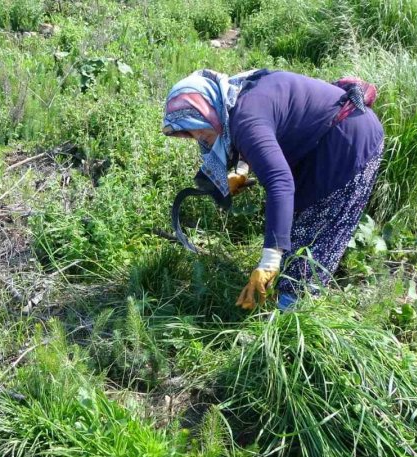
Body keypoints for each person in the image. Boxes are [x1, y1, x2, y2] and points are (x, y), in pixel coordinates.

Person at [162, 69, 384, 311]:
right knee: (297, 225)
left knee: (315, 234)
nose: (205, 141)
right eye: (197, 138)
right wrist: (243, 168)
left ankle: (292, 319)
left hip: (350, 142)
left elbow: (280, 182)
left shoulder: (246, 118)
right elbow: (263, 133)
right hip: (327, 139)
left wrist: (269, 262)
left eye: (204, 133)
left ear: (209, 110)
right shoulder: (234, 97)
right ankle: (289, 297)